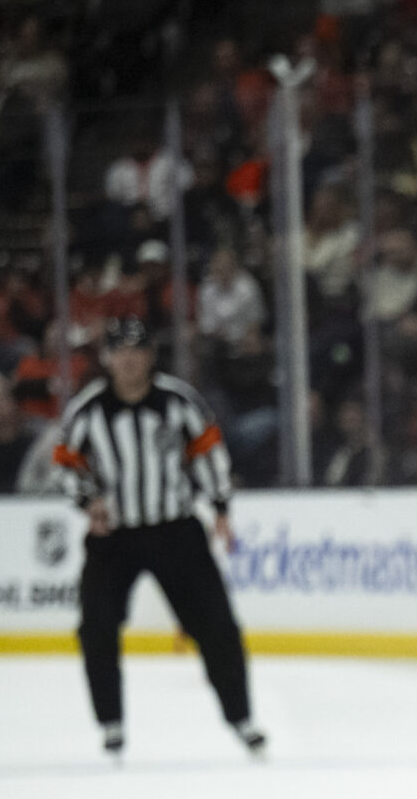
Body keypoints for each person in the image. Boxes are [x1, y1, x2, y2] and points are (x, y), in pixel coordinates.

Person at [51, 320, 264, 760]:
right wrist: (87, 501)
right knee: (96, 627)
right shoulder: (88, 410)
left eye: (137, 350)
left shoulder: (178, 402)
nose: (128, 360)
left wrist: (221, 507)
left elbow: (208, 454)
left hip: (175, 530)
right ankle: (110, 722)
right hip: (114, 537)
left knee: (217, 625)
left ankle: (241, 717)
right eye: (119, 351)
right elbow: (64, 463)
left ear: (150, 355)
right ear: (107, 358)